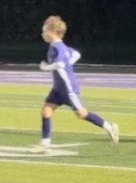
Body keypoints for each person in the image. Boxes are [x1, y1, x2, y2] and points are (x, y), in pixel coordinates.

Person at [33, 16, 119, 153]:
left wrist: (45, 68)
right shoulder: (60, 46)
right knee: (46, 110)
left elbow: (60, 64)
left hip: (68, 89)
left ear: (53, 32)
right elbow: (77, 54)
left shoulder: (57, 47)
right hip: (57, 89)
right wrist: (68, 63)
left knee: (82, 114)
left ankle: (110, 127)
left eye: (45, 31)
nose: (42, 34)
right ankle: (45, 144)